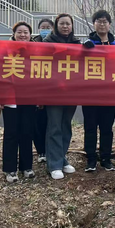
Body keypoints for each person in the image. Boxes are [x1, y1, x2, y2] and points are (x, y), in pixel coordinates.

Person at [80, 10, 115, 172]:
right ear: (94, 24)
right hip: (89, 94)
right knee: (90, 128)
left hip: (110, 94)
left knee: (106, 128)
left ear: (109, 24)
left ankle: (106, 158)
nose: (102, 24)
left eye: (105, 21)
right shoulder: (87, 44)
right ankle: (91, 159)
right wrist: (84, 50)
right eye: (99, 21)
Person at [42, 13, 80, 179]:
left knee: (66, 125)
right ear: (56, 26)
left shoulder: (77, 43)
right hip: (53, 91)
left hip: (71, 91)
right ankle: (54, 164)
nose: (65, 26)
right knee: (55, 126)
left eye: (68, 24)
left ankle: (62, 158)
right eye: (62, 23)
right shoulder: (47, 43)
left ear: (72, 26)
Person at [0, 21, 36, 183]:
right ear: (14, 34)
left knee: (27, 132)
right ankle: (10, 169)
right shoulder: (4, 50)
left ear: (30, 35)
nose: (22, 35)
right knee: (11, 133)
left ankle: (26, 167)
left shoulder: (37, 51)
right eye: (19, 32)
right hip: (10, 98)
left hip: (29, 97)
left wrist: (41, 97)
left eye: (26, 32)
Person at [32, 18, 53, 163]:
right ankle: (41, 151)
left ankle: (51, 149)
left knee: (51, 122)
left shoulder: (56, 42)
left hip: (52, 88)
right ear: (38, 29)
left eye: (48, 27)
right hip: (36, 88)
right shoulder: (32, 43)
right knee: (37, 122)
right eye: (43, 27)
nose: (45, 30)